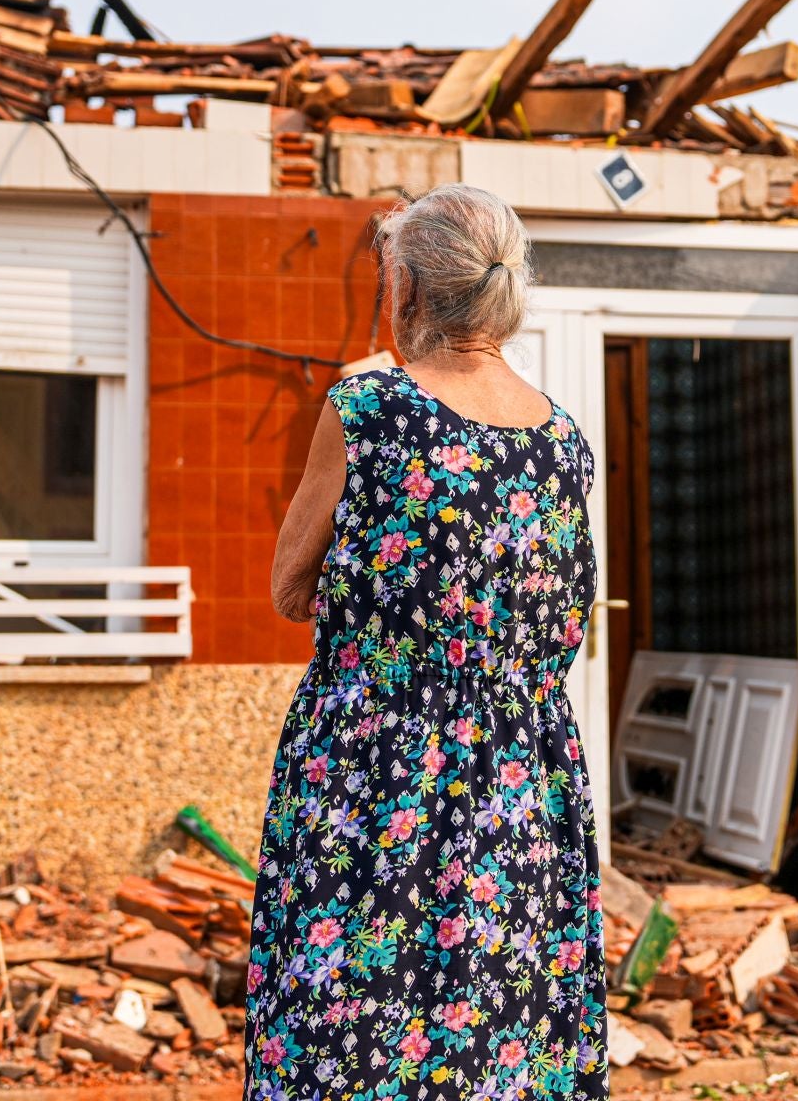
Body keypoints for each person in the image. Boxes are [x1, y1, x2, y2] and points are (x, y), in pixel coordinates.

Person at [244, 184, 605, 1100]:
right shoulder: (565, 444)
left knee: (349, 1030)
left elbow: (289, 589)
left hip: (377, 776)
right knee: (505, 1028)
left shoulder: (369, 409)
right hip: (521, 785)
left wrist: (393, 618)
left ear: (405, 286)